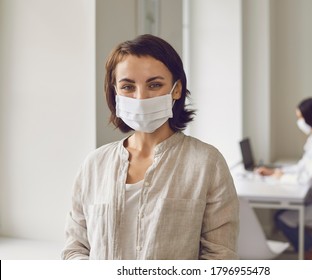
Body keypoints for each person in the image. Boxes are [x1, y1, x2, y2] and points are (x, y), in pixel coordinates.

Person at [61, 34, 239, 260]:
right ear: (115, 92)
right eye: (127, 86)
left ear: (176, 89)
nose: (140, 97)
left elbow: (220, 257)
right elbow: (74, 248)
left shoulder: (206, 163)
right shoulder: (94, 164)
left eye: (154, 85)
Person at [256, 97, 312, 259]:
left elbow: (308, 178)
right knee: (281, 215)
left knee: (282, 218)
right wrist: (276, 172)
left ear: (310, 117)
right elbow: (302, 167)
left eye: (300, 117)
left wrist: (281, 177)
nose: (299, 122)